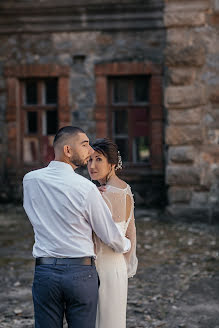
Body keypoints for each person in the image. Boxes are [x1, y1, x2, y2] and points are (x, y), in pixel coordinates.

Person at [23, 126, 131, 328]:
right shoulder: (86, 187)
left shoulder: (29, 180)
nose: (90, 151)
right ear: (67, 151)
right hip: (80, 274)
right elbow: (108, 234)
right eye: (84, 145)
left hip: (45, 271)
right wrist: (126, 245)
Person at [87, 138, 138, 328]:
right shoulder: (126, 189)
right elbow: (131, 231)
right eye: (89, 160)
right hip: (118, 268)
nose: (92, 165)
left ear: (112, 164)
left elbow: (95, 235)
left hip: (100, 270)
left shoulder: (103, 194)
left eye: (98, 159)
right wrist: (126, 262)